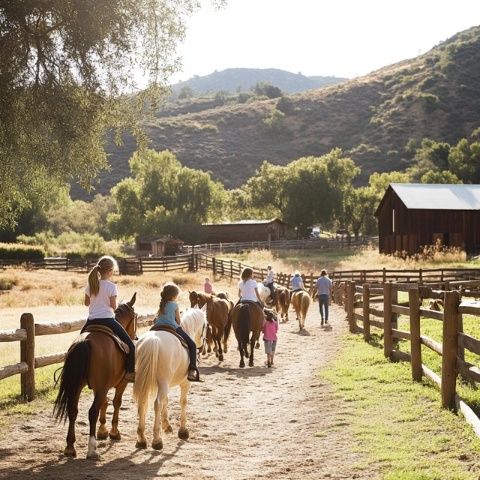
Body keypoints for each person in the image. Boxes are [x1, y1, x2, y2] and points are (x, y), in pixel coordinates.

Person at [82, 255, 135, 383]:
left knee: (77, 344)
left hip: (91, 320)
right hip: (108, 320)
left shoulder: (91, 284)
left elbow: (86, 303)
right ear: (110, 271)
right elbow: (113, 306)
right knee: (130, 345)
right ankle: (129, 372)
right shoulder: (111, 287)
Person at [154, 283, 201, 382]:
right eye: (177, 295)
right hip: (173, 327)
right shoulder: (175, 305)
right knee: (192, 345)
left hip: (157, 326)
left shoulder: (162, 303)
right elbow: (178, 321)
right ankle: (192, 369)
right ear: (173, 296)